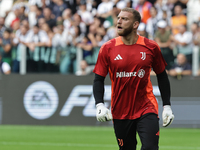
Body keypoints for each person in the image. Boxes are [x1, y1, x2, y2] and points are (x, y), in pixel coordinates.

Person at [93, 8, 174, 150]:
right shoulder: (107, 48)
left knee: (150, 147)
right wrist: (99, 104)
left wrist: (167, 106)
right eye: (118, 18)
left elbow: (162, 75)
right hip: (120, 110)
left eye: (124, 19)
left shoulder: (151, 47)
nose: (119, 21)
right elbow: (98, 79)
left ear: (135, 24)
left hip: (146, 107)